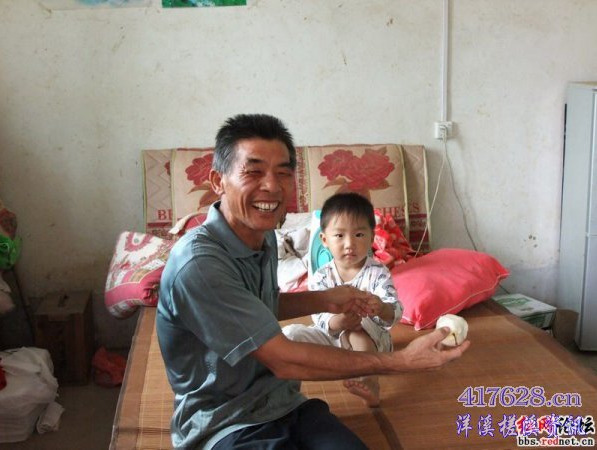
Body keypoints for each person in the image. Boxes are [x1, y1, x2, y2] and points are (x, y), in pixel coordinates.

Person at [156, 113, 470, 450]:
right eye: (254, 171)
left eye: (283, 173)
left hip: (284, 401)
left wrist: (323, 299)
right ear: (218, 181)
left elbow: (254, 307)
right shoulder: (199, 265)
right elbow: (283, 359)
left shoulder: (262, 237)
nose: (272, 186)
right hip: (225, 422)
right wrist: (401, 362)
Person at [283, 192, 401, 407]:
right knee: (290, 335)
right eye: (339, 235)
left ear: (371, 238)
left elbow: (394, 312)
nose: (349, 244)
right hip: (332, 337)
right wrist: (336, 322)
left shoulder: (378, 273)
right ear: (324, 240)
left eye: (358, 235)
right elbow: (318, 315)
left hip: (372, 342)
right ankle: (285, 393)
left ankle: (369, 382)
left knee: (357, 329)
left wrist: (382, 308)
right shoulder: (321, 276)